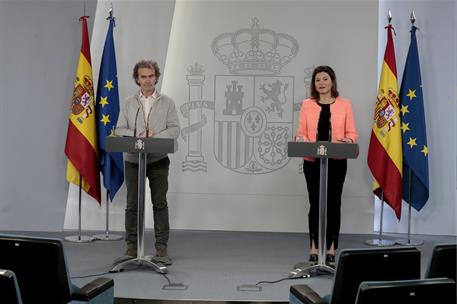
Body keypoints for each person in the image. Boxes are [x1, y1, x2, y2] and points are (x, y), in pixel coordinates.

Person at [115, 60, 180, 265]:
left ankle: (161, 249)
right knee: (132, 204)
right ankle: (131, 247)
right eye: (143, 77)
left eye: (151, 76)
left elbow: (175, 129)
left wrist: (155, 135)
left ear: (157, 77)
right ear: (137, 79)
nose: (147, 80)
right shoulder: (128, 103)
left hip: (158, 160)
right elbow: (119, 129)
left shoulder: (167, 102)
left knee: (159, 203)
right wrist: (137, 134)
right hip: (134, 160)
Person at [295, 65, 358, 267]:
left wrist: (349, 141)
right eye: (317, 80)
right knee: (315, 204)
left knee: (333, 204)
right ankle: (314, 249)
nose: (321, 83)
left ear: (332, 81)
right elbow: (300, 133)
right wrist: (302, 139)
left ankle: (330, 250)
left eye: (325, 79)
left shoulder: (345, 104)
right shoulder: (307, 104)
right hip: (312, 162)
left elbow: (352, 134)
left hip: (337, 162)